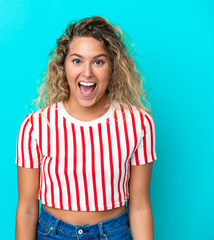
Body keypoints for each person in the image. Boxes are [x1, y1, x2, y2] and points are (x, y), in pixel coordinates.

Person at [15, 16, 157, 240]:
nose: (87, 72)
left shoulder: (138, 124)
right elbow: (27, 209)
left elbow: (139, 207)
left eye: (98, 62)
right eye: (77, 61)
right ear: (63, 66)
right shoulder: (36, 126)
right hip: (53, 233)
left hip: (113, 233)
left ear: (113, 66)